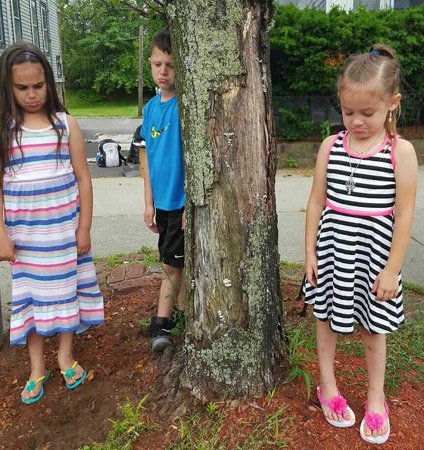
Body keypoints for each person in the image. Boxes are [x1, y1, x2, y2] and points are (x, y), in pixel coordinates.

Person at [304, 44, 417, 445]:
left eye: (367, 113)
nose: (356, 121)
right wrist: (310, 254)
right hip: (333, 254)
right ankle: (328, 386)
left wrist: (392, 268)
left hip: (374, 259)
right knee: (326, 322)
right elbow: (316, 203)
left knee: (373, 330)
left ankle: (375, 397)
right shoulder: (330, 147)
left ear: (392, 103)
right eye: (348, 112)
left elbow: (404, 215)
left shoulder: (399, 153)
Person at [0, 43, 104, 404]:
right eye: (22, 88)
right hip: (25, 240)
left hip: (63, 233)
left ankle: (64, 355)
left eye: (38, 86)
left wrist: (84, 227)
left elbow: (84, 179)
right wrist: (1, 235)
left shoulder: (66, 125)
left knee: (64, 293)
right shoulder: (5, 131)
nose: (31, 94)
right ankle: (36, 367)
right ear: (9, 88)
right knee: (31, 298)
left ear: (49, 83)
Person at [141, 29, 185, 352]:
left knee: (172, 265)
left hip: (182, 203)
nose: (163, 71)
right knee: (173, 261)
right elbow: (147, 159)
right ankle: (182, 312)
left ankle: (162, 324)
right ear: (150, 64)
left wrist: (191, 207)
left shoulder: (184, 108)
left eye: (169, 64)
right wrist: (148, 203)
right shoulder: (150, 109)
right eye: (158, 64)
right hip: (162, 204)